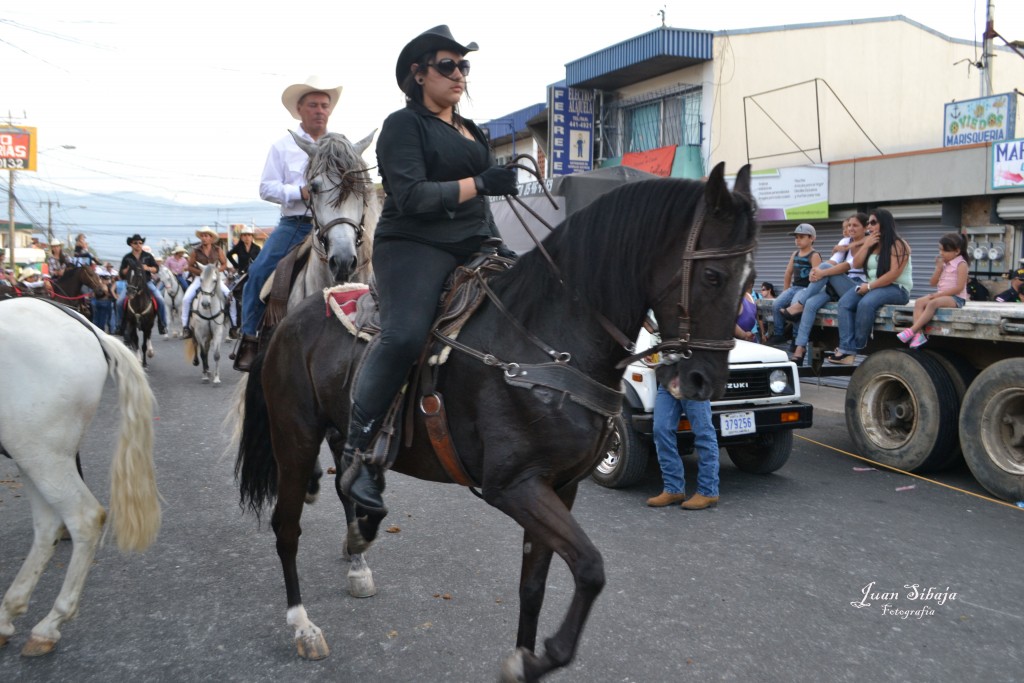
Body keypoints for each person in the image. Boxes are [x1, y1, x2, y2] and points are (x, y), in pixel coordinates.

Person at [339, 25, 518, 520]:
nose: (459, 74)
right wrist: (480, 180)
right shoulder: (403, 125)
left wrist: (495, 227)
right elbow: (413, 196)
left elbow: (478, 199)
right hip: (415, 244)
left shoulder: (472, 129)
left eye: (464, 67)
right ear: (418, 75)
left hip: (473, 243)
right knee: (403, 336)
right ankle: (358, 456)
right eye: (448, 66)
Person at [235, 75, 344, 370]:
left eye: (324, 105)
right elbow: (266, 188)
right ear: (299, 109)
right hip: (296, 224)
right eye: (313, 105)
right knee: (257, 274)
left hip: (334, 225)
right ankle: (249, 339)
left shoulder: (339, 146)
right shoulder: (282, 147)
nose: (320, 110)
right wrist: (300, 191)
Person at [827, 209, 912, 365]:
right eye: (868, 223)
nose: (869, 226)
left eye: (873, 223)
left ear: (884, 224)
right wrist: (866, 245)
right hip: (873, 286)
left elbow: (893, 274)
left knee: (866, 303)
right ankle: (846, 349)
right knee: (845, 303)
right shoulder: (872, 243)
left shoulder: (899, 244)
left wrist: (870, 287)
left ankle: (856, 346)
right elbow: (857, 263)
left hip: (896, 289)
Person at [789, 213, 869, 364]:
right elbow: (833, 261)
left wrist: (822, 271)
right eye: (849, 225)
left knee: (823, 268)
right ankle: (800, 347)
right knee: (811, 304)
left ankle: (798, 304)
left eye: (855, 225)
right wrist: (816, 272)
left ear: (865, 228)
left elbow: (848, 265)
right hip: (839, 284)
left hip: (857, 286)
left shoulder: (870, 242)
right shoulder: (845, 241)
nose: (850, 228)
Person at [647, 375, 720, 510]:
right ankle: (673, 489)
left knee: (703, 433)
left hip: (693, 378)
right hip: (668, 379)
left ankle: (708, 491)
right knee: (661, 429)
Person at [896, 233, 970, 349]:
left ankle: (912, 330)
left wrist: (938, 295)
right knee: (919, 302)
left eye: (945, 251)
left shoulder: (961, 264)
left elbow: (959, 288)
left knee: (932, 303)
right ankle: (918, 335)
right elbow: (933, 283)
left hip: (956, 298)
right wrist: (939, 269)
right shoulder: (944, 264)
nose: (941, 253)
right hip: (942, 296)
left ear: (956, 251)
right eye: (940, 250)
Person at [765, 224, 821, 345]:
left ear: (812, 238)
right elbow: (788, 273)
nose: (798, 240)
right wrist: (785, 290)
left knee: (795, 307)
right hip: (794, 287)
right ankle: (779, 333)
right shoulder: (795, 254)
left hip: (806, 289)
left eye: (801, 237)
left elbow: (818, 277)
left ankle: (796, 337)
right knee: (776, 305)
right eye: (796, 237)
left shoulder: (814, 255)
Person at [181, 226, 235, 338]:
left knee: (231, 297)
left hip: (215, 279)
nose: (204, 238)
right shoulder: (195, 251)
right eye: (202, 236)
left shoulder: (218, 250)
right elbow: (190, 266)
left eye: (206, 236)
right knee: (186, 299)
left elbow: (224, 264)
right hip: (199, 279)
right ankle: (185, 327)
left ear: (211, 238)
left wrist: (216, 271)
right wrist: (201, 273)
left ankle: (233, 326)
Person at [115, 234, 168, 336]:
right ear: (131, 244)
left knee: (160, 299)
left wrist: (147, 268)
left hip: (146, 283)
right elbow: (121, 273)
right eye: (135, 243)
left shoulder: (148, 256)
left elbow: (156, 269)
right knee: (119, 302)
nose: (138, 245)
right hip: (131, 284)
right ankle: (119, 326)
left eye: (140, 243)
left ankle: (162, 325)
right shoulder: (127, 258)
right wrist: (128, 269)